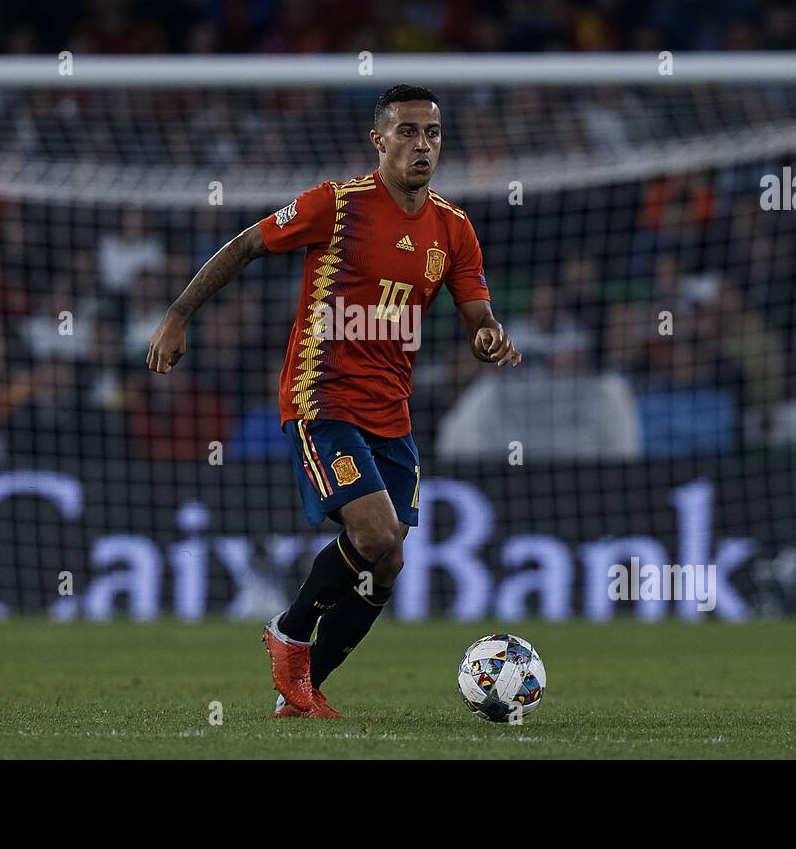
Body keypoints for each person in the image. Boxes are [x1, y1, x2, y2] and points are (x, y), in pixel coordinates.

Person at [146, 84, 521, 717]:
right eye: (407, 131)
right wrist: (179, 314)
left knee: (389, 559)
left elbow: (475, 314)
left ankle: (303, 691)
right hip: (322, 400)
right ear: (379, 140)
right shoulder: (337, 206)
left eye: (432, 132)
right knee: (373, 534)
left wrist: (487, 336)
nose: (422, 144)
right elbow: (246, 245)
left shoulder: (454, 229)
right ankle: (288, 634)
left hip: (392, 412)